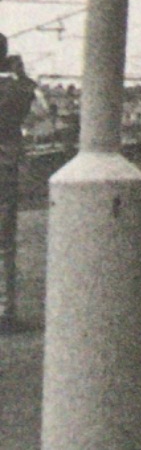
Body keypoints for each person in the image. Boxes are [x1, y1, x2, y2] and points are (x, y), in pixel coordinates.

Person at [0, 33, 36, 333]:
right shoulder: (16, 88)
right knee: (4, 246)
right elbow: (28, 95)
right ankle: (4, 311)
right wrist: (18, 72)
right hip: (5, 168)